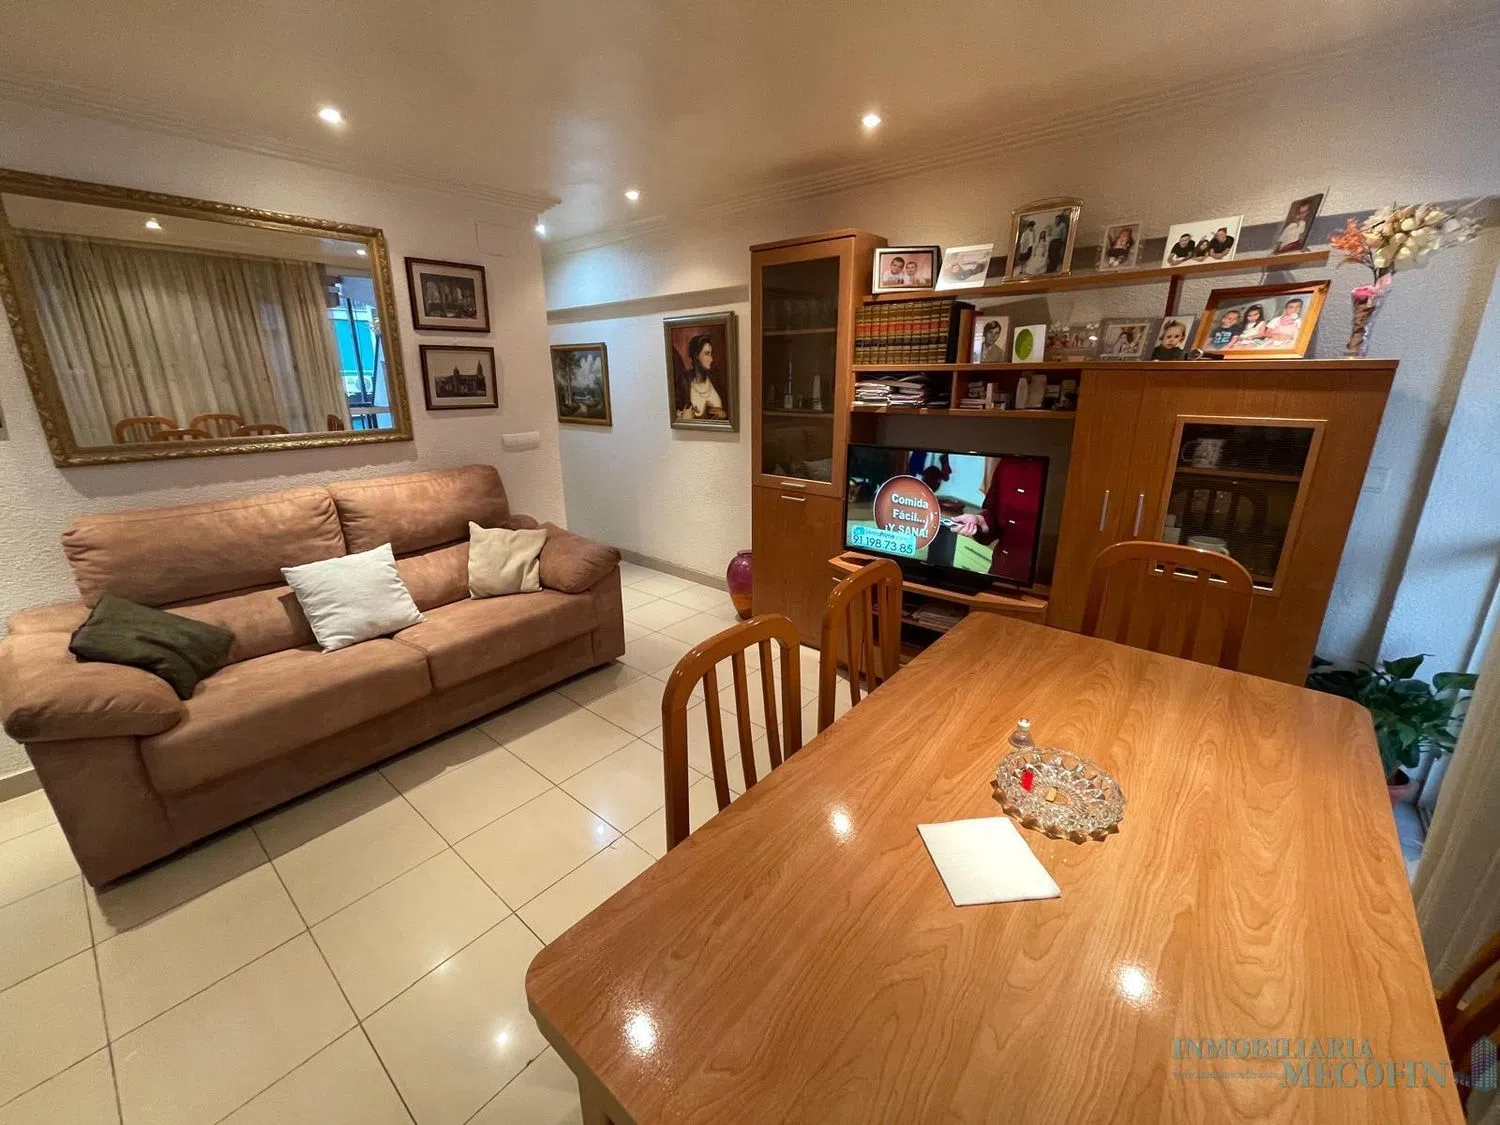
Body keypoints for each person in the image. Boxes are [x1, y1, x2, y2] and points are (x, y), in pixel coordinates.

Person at [675, 334, 728, 421]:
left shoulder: (716, 380)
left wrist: (724, 414)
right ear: (696, 355)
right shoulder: (684, 381)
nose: (711, 359)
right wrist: (683, 418)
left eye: (711, 354)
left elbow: (731, 409)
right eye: (707, 354)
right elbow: (673, 412)